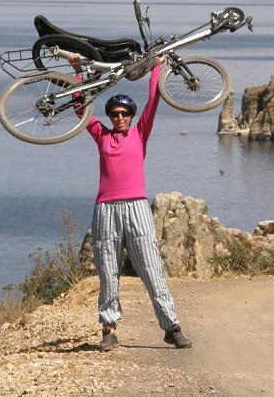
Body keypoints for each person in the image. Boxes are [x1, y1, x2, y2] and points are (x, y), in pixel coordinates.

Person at [69, 52, 192, 352]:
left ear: (132, 116)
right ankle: (109, 329)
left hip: (137, 206)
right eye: (115, 114)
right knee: (108, 269)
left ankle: (171, 327)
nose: (120, 118)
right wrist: (76, 71)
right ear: (110, 117)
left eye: (124, 113)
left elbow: (154, 100)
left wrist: (157, 67)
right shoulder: (101, 136)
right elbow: (80, 109)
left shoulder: (140, 133)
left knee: (151, 267)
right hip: (106, 209)